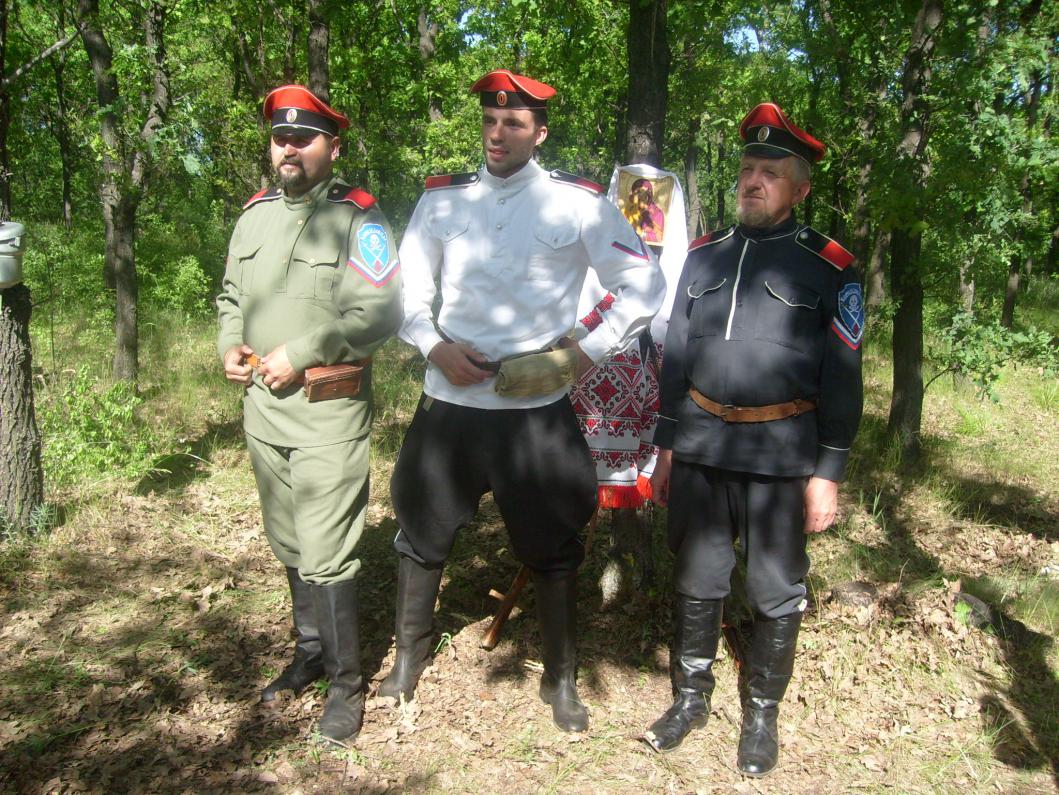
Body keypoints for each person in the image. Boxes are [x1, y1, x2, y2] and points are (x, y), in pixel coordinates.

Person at [383, 69, 665, 733]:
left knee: (555, 542)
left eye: (513, 123)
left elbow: (642, 284)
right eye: (489, 120)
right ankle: (407, 659)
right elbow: (406, 290)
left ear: (538, 133)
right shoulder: (442, 201)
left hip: (534, 412)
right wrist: (432, 345)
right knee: (421, 533)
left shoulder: (577, 204)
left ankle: (560, 677)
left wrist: (585, 353)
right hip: (449, 403)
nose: (497, 133)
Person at [643, 102, 864, 777]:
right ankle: (689, 699)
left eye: (769, 173)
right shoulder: (703, 255)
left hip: (780, 454)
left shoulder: (829, 266)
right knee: (697, 576)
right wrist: (666, 444)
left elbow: (844, 376)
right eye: (746, 169)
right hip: (701, 443)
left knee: (773, 586)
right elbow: (677, 356)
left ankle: (761, 714)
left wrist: (827, 472)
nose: (752, 181)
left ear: (799, 188)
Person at [216, 85, 402, 745]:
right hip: (263, 414)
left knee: (326, 551)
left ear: (333, 147)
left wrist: (301, 352)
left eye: (303, 138)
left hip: (327, 412)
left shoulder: (359, 220)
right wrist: (229, 344)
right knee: (289, 541)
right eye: (280, 138)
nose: (288, 148)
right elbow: (231, 295)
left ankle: (346, 687)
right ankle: (311, 654)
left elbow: (379, 311)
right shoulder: (254, 216)